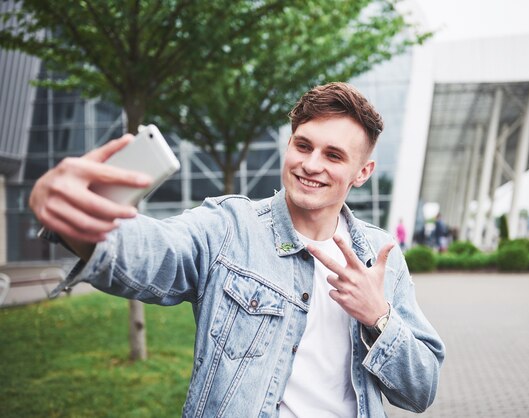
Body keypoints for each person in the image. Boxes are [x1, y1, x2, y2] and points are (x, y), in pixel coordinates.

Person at [30, 82, 445, 417]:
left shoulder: (382, 258)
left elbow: (421, 391)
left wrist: (379, 317)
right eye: (303, 146)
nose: (311, 164)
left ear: (363, 172)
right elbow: (152, 253)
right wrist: (69, 219)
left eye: (333, 155)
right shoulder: (229, 228)